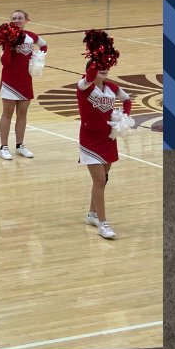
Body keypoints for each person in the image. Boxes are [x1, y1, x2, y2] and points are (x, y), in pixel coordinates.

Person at [78, 62, 131, 240]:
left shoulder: (111, 87)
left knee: (102, 180)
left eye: (106, 67)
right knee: (100, 180)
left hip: (107, 138)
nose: (104, 69)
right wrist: (96, 55)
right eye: (99, 66)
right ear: (90, 70)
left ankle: (92, 215)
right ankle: (103, 224)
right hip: (89, 139)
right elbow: (90, 75)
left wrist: (124, 117)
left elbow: (127, 99)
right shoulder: (84, 86)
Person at [0, 9, 47, 160]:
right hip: (9, 80)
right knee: (7, 113)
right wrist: (7, 45)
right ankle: (3, 147)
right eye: (14, 18)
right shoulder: (7, 37)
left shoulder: (31, 36)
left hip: (25, 79)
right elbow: (5, 62)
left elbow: (44, 45)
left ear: (26, 20)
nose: (17, 20)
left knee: (23, 113)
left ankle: (20, 146)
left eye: (20, 18)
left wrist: (37, 60)